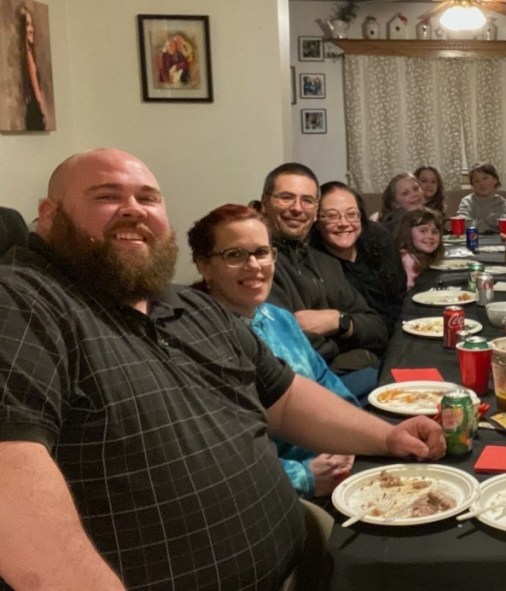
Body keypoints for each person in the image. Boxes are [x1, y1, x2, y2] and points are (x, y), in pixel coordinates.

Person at [0, 148, 445, 589]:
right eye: (107, 196)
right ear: (48, 214)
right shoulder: (23, 302)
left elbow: (286, 399)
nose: (133, 210)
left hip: (299, 555)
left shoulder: (191, 306)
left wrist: (386, 436)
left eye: (149, 198)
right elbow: (13, 497)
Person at [189, 204, 357, 498]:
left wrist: (351, 438)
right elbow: (215, 456)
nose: (254, 266)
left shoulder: (280, 318)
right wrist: (304, 477)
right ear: (204, 267)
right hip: (273, 497)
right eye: (235, 255)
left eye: (262, 252)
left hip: (336, 468)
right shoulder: (196, 340)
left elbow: (326, 381)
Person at [261, 162, 388, 395]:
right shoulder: (258, 265)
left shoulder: (326, 263)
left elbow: (377, 329)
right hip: (306, 394)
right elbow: (288, 354)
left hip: (350, 375)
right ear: (265, 202)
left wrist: (338, 321)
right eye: (286, 197)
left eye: (307, 200)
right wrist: (350, 345)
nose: (297, 208)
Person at [313, 181, 407, 331]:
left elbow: (399, 295)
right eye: (332, 216)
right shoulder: (314, 264)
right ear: (317, 222)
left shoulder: (379, 237)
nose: (343, 223)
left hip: (399, 330)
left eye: (351, 214)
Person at [455, 161, 506, 234]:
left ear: (495, 180)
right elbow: (465, 223)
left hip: (498, 242)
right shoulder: (467, 202)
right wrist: (492, 227)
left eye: (485, 178)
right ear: (472, 185)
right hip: (473, 241)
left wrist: (488, 220)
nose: (481, 183)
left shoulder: (505, 205)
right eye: (476, 180)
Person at [395, 207, 445, 289]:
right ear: (407, 232)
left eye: (434, 232)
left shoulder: (423, 257)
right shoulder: (408, 260)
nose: (430, 236)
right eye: (423, 231)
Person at [18, 3, 48, 131]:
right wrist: (42, 107)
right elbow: (35, 85)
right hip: (34, 110)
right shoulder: (27, 55)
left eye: (31, 25)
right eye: (28, 25)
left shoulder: (30, 53)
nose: (31, 29)